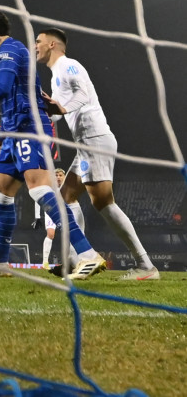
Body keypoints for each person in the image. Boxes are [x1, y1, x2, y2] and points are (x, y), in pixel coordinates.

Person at [0, 11, 105, 280]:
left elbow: (2, 87)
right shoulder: (10, 51)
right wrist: (0, 140)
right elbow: (12, 99)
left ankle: (88, 255)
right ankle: (0, 265)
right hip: (14, 129)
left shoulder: (9, 49)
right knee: (0, 192)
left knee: (41, 191)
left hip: (30, 128)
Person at [35, 28, 158, 280]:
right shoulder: (55, 75)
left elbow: (83, 94)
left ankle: (145, 266)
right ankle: (74, 260)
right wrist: (46, 108)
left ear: (52, 44)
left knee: (103, 203)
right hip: (86, 143)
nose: (35, 45)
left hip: (94, 139)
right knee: (65, 197)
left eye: (38, 41)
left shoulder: (68, 65)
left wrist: (62, 107)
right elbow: (60, 112)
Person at [33, 168, 71, 268]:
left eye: (60, 175)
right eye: (56, 175)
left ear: (64, 177)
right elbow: (38, 199)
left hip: (65, 212)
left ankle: (72, 260)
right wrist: (37, 217)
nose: (58, 177)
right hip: (51, 211)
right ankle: (45, 262)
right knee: (50, 234)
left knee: (71, 235)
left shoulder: (68, 188)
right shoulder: (48, 187)